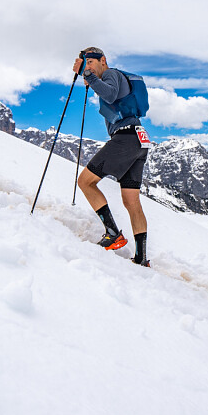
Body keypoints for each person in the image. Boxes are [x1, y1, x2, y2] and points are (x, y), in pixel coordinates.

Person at [72, 47, 150, 267]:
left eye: (90, 63)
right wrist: (89, 78)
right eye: (84, 64)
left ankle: (112, 233)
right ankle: (141, 258)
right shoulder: (107, 78)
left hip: (125, 139)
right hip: (138, 140)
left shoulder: (110, 74)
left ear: (102, 60)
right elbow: (109, 94)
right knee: (131, 201)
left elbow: (110, 94)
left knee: (85, 182)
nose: (88, 67)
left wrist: (86, 76)